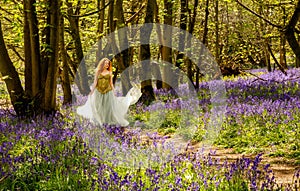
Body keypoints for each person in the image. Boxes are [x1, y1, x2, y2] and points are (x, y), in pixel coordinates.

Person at [76, 58, 142, 126]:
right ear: (102, 64)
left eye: (108, 63)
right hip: (98, 91)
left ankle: (107, 120)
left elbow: (111, 83)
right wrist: (92, 91)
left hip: (108, 91)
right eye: (106, 63)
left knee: (108, 106)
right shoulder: (98, 71)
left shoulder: (109, 72)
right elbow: (95, 82)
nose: (107, 65)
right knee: (99, 106)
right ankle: (100, 120)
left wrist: (114, 92)